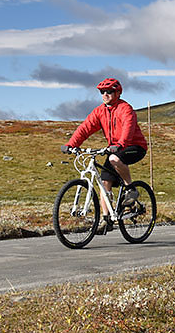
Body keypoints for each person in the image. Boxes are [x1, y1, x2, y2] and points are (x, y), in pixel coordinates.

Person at [62, 78, 148, 230]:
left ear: (118, 93)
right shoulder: (100, 111)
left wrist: (121, 144)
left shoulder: (125, 108)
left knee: (114, 158)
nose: (106, 94)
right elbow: (85, 128)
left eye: (109, 91)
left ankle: (131, 189)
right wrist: (71, 144)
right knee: (104, 182)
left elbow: (128, 127)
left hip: (134, 146)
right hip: (115, 148)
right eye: (103, 92)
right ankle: (106, 219)